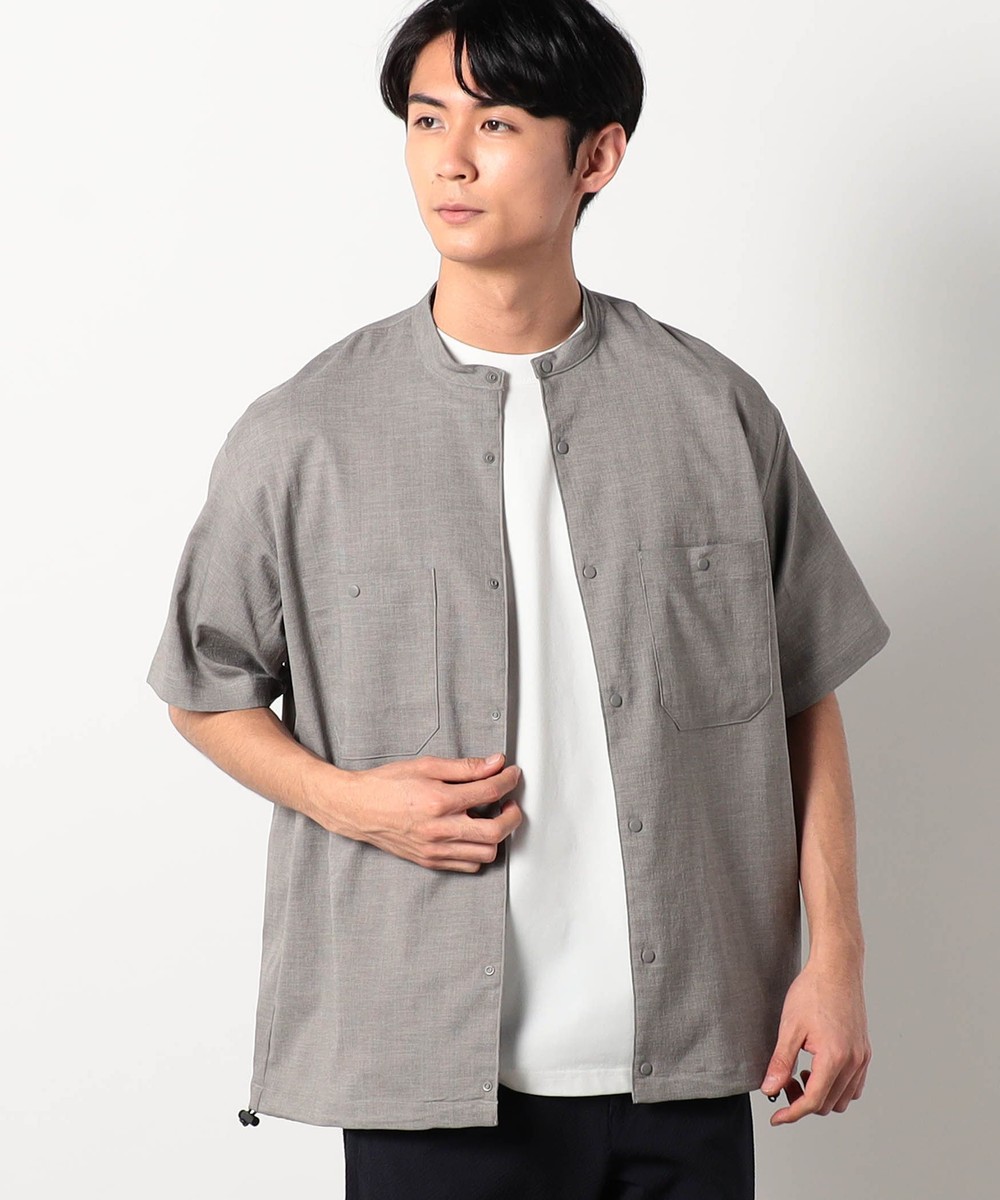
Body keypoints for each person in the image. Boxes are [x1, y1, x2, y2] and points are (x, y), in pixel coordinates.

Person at [146, 2, 891, 1196]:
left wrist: (836, 958)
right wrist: (351, 803)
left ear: (595, 155)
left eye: (494, 123)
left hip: (692, 1056)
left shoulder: (714, 412)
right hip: (424, 1072)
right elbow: (202, 686)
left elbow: (802, 693)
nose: (450, 158)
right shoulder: (304, 433)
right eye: (425, 120)